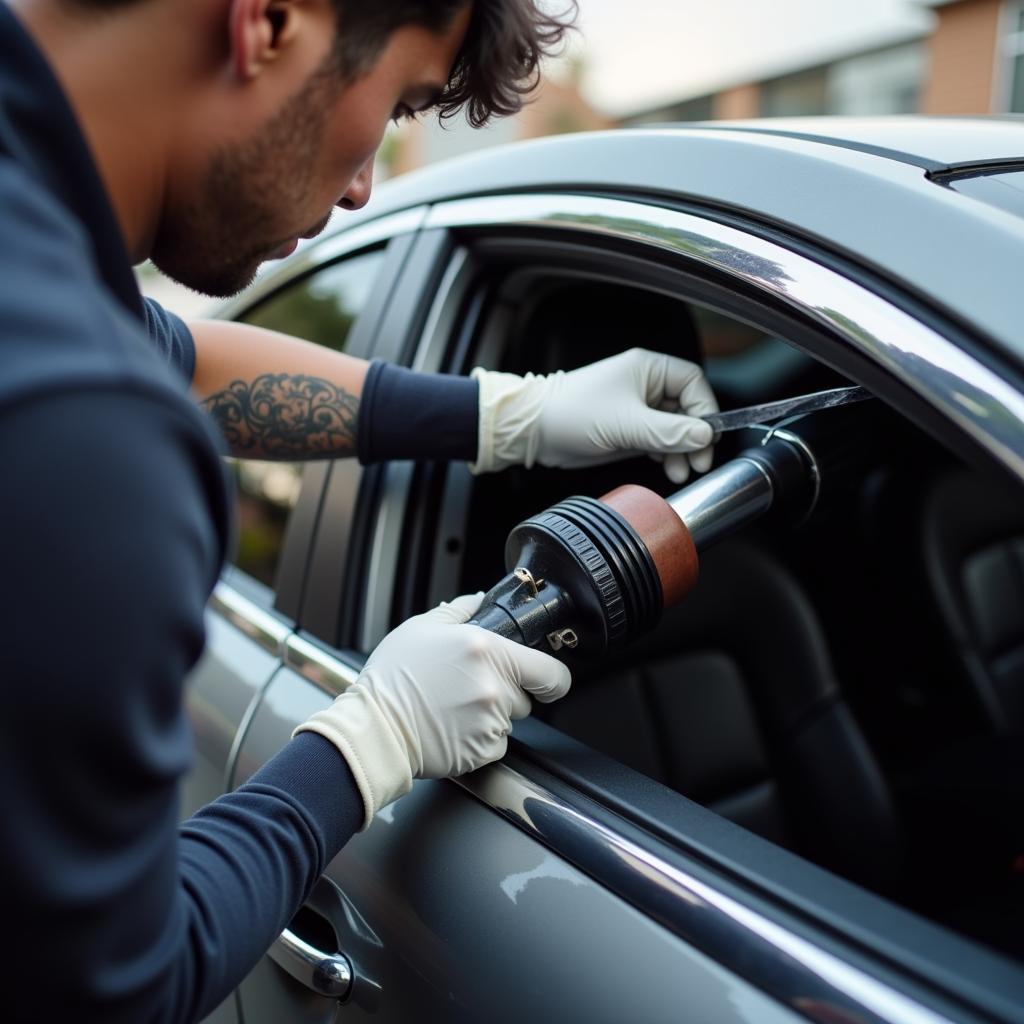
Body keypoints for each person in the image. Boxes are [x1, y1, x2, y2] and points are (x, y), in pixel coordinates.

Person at [0, 0, 718, 1020]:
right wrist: (368, 743)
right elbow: (108, 989)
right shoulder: (78, 431)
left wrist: (512, 414)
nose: (359, 187)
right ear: (272, 20)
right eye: (397, 106)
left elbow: (184, 358)